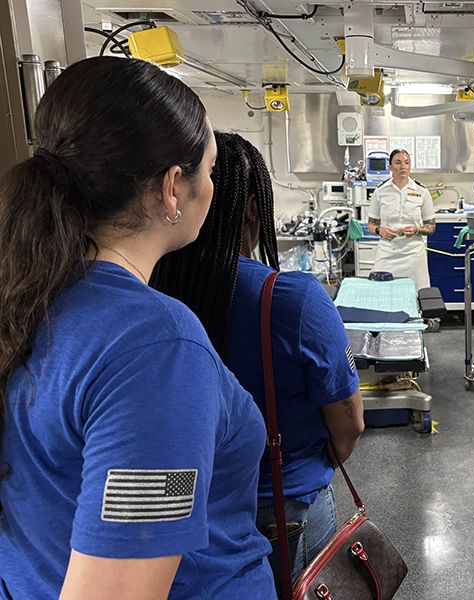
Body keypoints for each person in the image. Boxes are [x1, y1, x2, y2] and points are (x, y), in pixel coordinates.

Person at [0, 57, 275, 599]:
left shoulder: (26, 294)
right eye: (210, 171)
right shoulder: (156, 347)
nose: (212, 187)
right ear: (173, 187)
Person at [152, 132, 364, 578]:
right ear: (252, 206)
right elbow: (349, 425)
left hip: (184, 512)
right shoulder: (290, 299)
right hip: (283, 505)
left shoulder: (153, 291)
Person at [367, 149, 435, 290]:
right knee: (382, 291)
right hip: (387, 252)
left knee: (415, 293)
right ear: (390, 167)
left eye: (406, 162)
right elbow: (371, 224)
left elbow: (431, 226)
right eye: (398, 163)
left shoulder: (422, 191)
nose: (403, 166)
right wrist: (380, 230)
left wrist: (416, 229)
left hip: (413, 254)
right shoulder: (380, 191)